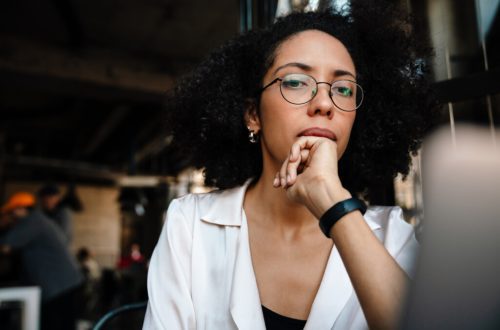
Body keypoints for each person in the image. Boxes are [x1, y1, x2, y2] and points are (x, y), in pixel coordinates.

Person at [143, 2, 439, 330]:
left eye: (343, 89)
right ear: (253, 115)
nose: (325, 103)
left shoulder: (393, 238)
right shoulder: (189, 226)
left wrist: (335, 207)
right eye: (296, 82)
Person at [0, 192, 84, 330]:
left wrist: (3, 225)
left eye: (11, 211)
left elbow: (5, 247)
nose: (11, 215)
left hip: (60, 285)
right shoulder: (37, 220)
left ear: (21, 209)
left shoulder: (32, 222)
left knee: (56, 324)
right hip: (63, 282)